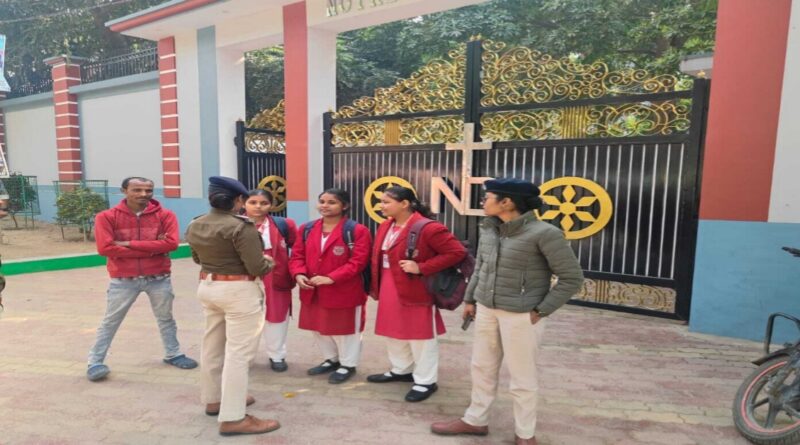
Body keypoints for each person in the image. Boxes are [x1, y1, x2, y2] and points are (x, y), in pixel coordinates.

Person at [430, 178, 584, 445]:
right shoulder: (490, 229)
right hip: (486, 309)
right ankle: (475, 420)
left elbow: (572, 278)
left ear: (507, 202)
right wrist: (471, 299)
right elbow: (480, 267)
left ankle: (525, 434)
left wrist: (541, 310)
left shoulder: (545, 233)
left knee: (522, 376)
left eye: (487, 197)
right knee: (481, 367)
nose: (483, 201)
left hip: (522, 315)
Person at [185, 176, 280, 436]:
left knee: (212, 346)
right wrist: (269, 262)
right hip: (239, 291)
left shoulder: (196, 223)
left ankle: (214, 400)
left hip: (208, 286)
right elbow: (257, 267)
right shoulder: (242, 227)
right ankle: (233, 417)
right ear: (239, 200)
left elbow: (197, 258)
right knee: (239, 355)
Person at [87, 177, 197, 382]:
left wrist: (128, 244)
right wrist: (154, 248)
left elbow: (171, 244)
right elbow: (105, 248)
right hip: (123, 279)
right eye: (137, 190)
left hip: (159, 278)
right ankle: (95, 362)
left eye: (148, 190)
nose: (144, 194)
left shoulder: (165, 215)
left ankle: (173, 353)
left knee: (166, 318)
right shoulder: (106, 217)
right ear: (124, 191)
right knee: (111, 321)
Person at [366, 186, 466, 402]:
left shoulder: (429, 228)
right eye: (381, 201)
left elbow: (456, 252)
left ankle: (426, 380)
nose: (381, 206)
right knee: (393, 330)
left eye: (386, 202)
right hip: (388, 285)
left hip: (416, 287)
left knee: (421, 335)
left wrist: (422, 267)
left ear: (404, 204)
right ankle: (401, 369)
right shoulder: (385, 225)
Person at [288, 188, 371, 384]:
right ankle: (331, 359)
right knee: (317, 326)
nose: (325, 206)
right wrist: (298, 274)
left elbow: (358, 262)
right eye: (322, 201)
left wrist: (331, 278)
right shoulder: (307, 229)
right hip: (312, 289)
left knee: (346, 330)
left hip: (344, 290)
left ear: (345, 205)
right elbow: (297, 255)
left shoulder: (357, 231)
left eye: (332, 202)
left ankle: (348, 364)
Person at [243, 189, 296, 373]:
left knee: (277, 315)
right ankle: (244, 357)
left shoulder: (284, 225)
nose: (258, 206)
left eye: (263, 203)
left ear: (271, 205)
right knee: (244, 316)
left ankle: (277, 355)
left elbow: (297, 248)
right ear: (244, 204)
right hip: (244, 276)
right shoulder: (236, 224)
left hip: (276, 275)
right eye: (253, 202)